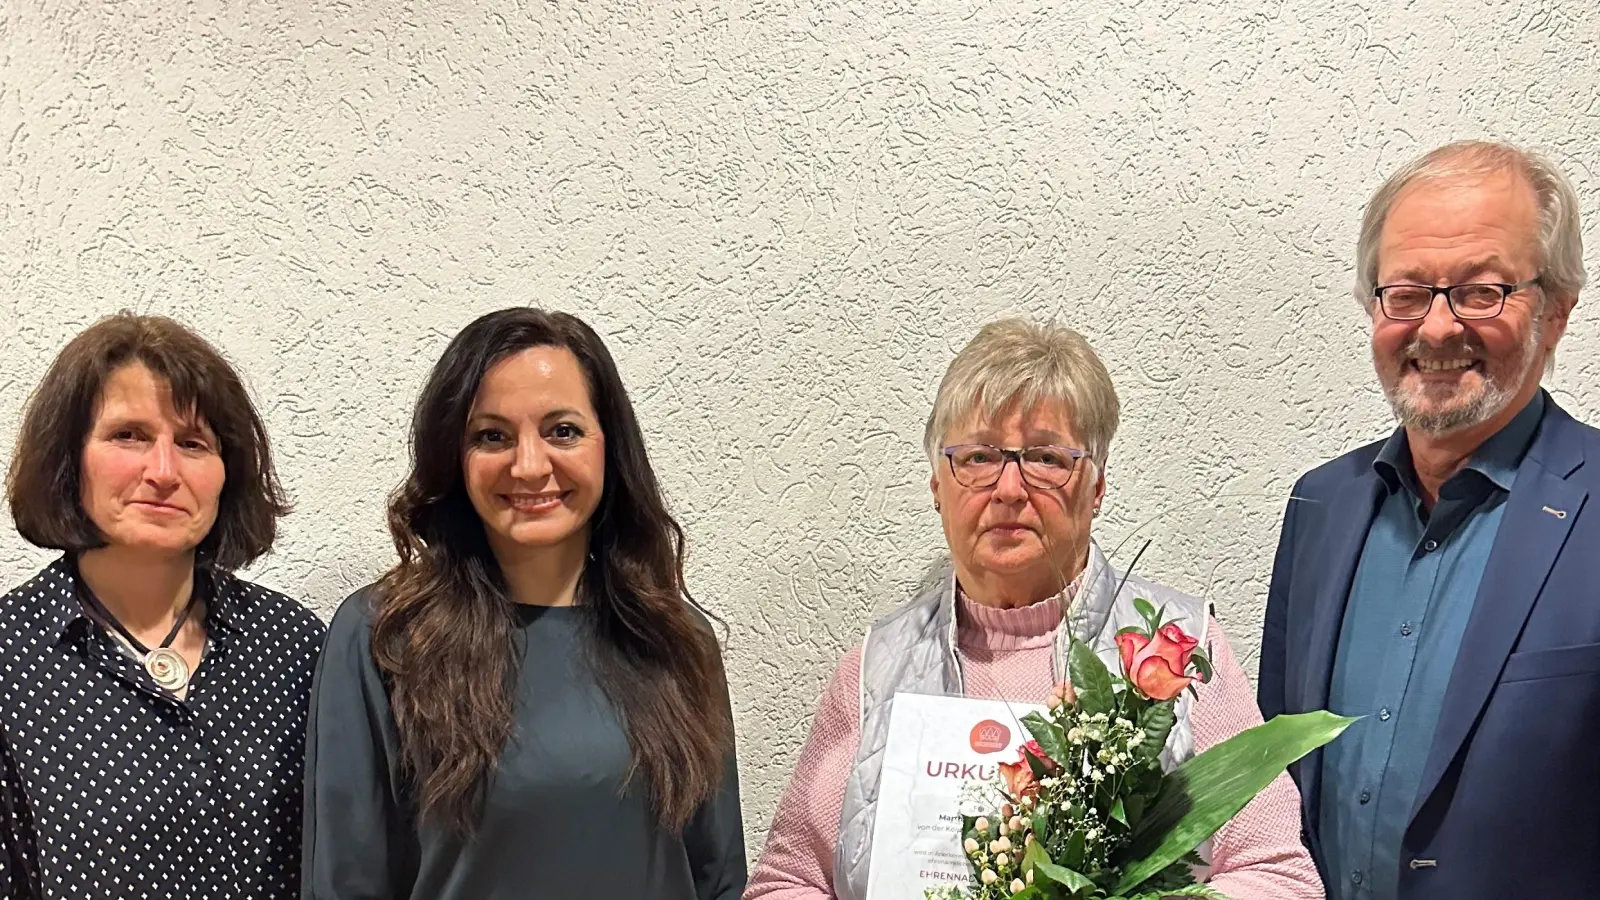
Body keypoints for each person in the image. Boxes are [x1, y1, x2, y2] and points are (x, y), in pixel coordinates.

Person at [746, 319, 1322, 900]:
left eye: (1045, 458)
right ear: (937, 487)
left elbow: (1280, 876)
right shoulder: (876, 668)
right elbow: (786, 881)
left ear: (1096, 488)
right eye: (977, 457)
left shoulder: (1175, 649)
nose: (1009, 489)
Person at [301, 307, 746, 900]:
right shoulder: (385, 636)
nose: (530, 465)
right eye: (492, 436)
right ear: (454, 458)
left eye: (563, 430)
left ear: (608, 449)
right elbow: (345, 881)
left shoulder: (674, 637)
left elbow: (716, 876)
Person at [1258, 140, 1595, 898]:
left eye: (1482, 292)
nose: (1437, 329)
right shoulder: (1319, 506)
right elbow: (1275, 794)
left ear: (1558, 312)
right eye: (1406, 293)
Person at [0, 312, 325, 899]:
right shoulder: (10, 656)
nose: (165, 471)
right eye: (129, 436)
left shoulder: (295, 645)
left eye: (193, 443)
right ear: (69, 460)